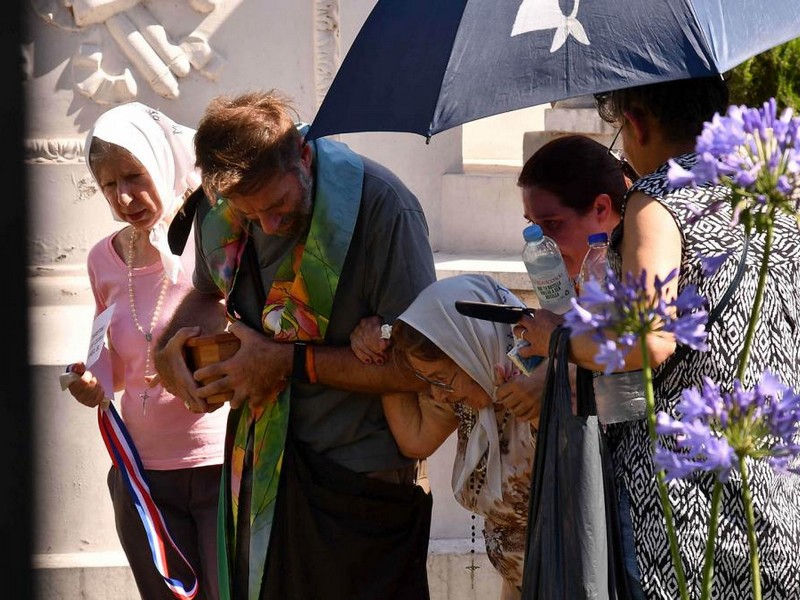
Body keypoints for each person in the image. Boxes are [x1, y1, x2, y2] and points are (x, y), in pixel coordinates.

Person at [515, 77, 800, 599]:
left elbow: (648, 337)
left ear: (637, 122)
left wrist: (557, 337)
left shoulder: (657, 199)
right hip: (777, 494)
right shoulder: (771, 193)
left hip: (687, 514)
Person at [153, 90, 437, 600]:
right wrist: (172, 349)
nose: (269, 226)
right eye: (251, 214)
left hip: (358, 478)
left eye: (279, 206)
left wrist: (286, 361)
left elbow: (419, 368)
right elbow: (203, 293)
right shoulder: (222, 208)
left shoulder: (382, 207)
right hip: (260, 474)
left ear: (303, 156)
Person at [65, 102, 228, 600]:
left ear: (160, 160)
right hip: (142, 476)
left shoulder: (215, 240)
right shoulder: (102, 259)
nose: (125, 196)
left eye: (134, 175)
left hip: (222, 466)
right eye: (110, 185)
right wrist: (90, 383)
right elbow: (108, 356)